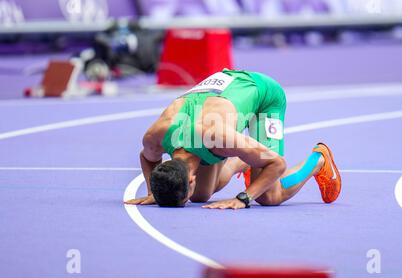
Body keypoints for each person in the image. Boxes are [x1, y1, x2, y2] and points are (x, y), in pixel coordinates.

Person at [125, 69, 341, 209]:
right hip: (218, 103)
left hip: (264, 97)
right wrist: (154, 192)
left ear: (190, 179)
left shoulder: (218, 138)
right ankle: (247, 158)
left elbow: (277, 164)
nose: (187, 201)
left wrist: (243, 198)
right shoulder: (156, 136)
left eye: (184, 199)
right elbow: (147, 158)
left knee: (269, 196)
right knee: (201, 195)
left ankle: (318, 160)